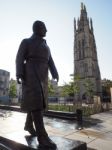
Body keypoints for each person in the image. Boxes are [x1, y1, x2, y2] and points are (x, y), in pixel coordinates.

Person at [16, 20, 59, 149]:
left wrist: (55, 73)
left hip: (43, 76)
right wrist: (19, 73)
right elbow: (19, 57)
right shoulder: (26, 42)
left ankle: (29, 125)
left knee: (39, 103)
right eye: (44, 28)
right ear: (38, 29)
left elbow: (50, 61)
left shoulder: (46, 46)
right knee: (37, 102)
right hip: (31, 73)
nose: (46, 31)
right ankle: (42, 137)